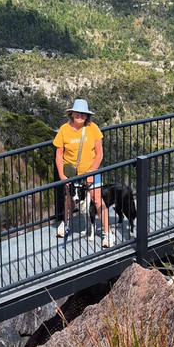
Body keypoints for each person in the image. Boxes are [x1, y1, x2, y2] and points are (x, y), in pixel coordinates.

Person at [53, 98, 113, 247]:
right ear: (72, 114)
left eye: (83, 113)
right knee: (69, 199)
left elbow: (99, 154)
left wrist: (92, 173)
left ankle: (107, 232)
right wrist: (62, 175)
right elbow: (59, 155)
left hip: (90, 170)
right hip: (71, 173)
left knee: (97, 199)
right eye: (77, 113)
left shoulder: (93, 128)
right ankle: (65, 224)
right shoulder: (64, 130)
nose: (80, 115)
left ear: (87, 116)